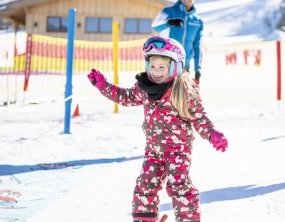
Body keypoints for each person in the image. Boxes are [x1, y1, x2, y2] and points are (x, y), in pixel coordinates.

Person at [87, 36, 228, 222]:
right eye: (153, 66)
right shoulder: (144, 88)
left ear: (175, 66)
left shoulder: (182, 89)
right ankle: (144, 219)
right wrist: (103, 86)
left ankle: (188, 218)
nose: (156, 72)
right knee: (145, 185)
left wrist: (212, 134)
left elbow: (199, 117)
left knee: (179, 184)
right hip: (153, 150)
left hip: (177, 150)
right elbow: (125, 97)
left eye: (162, 67)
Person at [152, 0, 203, 83]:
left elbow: (198, 46)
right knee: (164, 94)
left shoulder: (197, 21)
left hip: (184, 67)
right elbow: (155, 27)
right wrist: (169, 23)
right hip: (166, 63)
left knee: (182, 95)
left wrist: (198, 69)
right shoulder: (168, 11)